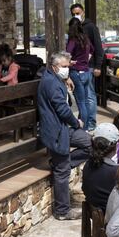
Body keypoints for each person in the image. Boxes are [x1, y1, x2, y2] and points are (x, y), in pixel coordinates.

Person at [38, 52, 92, 220]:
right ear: (55, 67)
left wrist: (65, 80)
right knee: (62, 172)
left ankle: (61, 163)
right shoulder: (51, 83)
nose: (67, 70)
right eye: (64, 67)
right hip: (56, 131)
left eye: (68, 67)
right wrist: (77, 123)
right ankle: (62, 211)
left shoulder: (53, 78)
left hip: (62, 129)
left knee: (92, 145)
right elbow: (62, 109)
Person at [70, 3, 104, 132]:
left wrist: (98, 66)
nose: (76, 15)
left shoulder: (90, 27)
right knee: (83, 99)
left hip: (89, 67)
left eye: (78, 13)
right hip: (80, 67)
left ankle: (91, 123)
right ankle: (84, 122)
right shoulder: (74, 28)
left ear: (83, 12)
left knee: (89, 96)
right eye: (73, 14)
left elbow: (98, 47)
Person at [66, 17, 94, 129]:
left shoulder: (73, 40)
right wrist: (86, 59)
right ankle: (84, 127)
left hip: (76, 72)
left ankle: (83, 128)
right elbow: (92, 49)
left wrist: (71, 62)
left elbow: (67, 55)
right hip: (86, 72)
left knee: (81, 103)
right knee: (86, 102)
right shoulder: (85, 38)